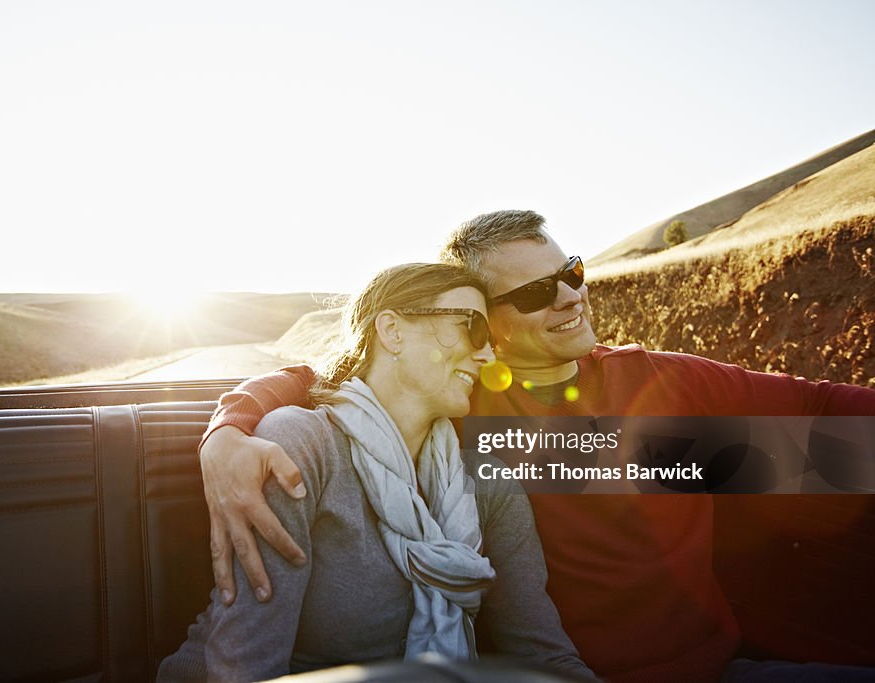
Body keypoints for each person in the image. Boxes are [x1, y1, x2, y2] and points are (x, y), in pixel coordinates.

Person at [197, 210, 875, 683]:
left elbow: (816, 414)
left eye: (573, 270)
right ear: (484, 327)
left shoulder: (653, 381)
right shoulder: (473, 419)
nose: (571, 295)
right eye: (537, 290)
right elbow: (339, 376)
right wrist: (230, 427)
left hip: (718, 668)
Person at [158, 262, 597, 682]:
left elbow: (543, 655)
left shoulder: (488, 482)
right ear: (392, 331)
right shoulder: (300, 445)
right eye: (472, 329)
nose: (486, 358)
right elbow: (247, 661)